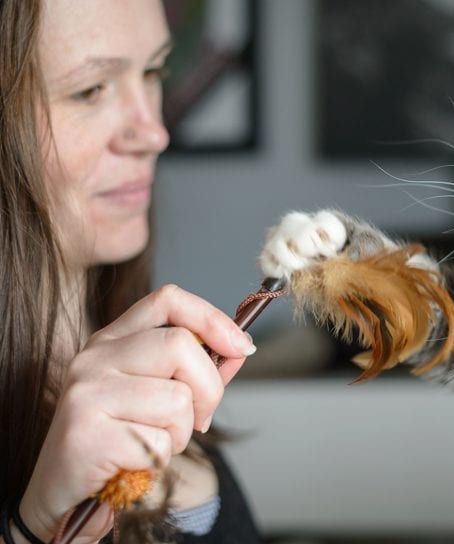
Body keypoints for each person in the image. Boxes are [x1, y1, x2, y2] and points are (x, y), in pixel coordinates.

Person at [0, 1, 262, 542]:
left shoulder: (170, 384)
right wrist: (34, 532)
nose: (154, 132)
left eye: (152, 73)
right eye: (91, 90)